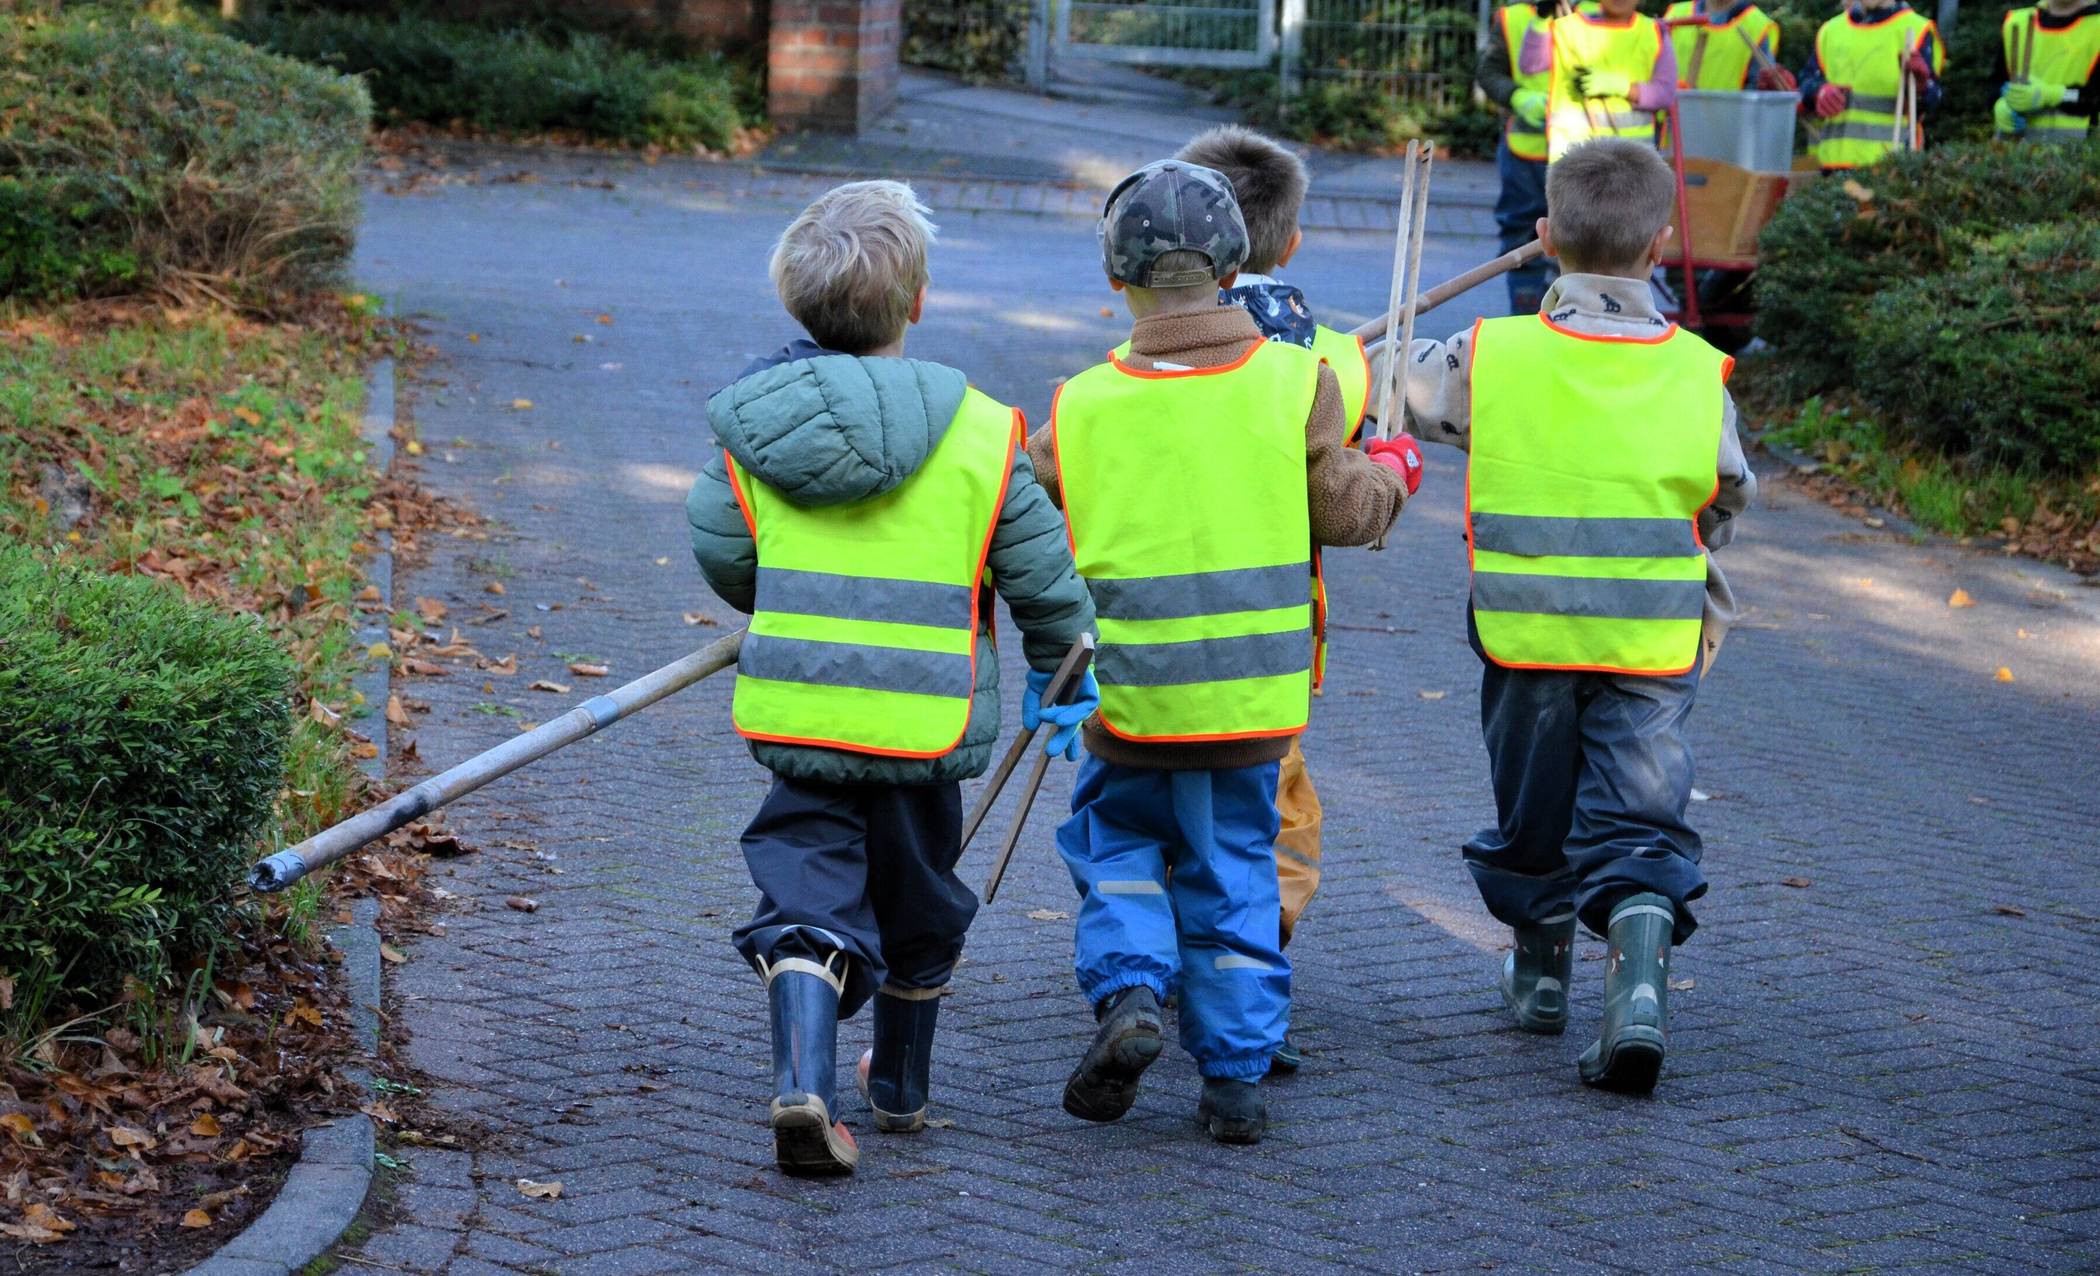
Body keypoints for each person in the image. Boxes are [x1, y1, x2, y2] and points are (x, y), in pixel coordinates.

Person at [687, 180, 1097, 1175]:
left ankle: (806, 1082)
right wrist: (1061, 670)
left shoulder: (757, 428)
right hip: (925, 727)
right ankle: (901, 1087)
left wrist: (794, 597)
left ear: (798, 302)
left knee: (803, 890)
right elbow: (1042, 577)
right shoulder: (982, 432)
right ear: (917, 302)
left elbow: (725, 553)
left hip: (803, 711)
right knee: (919, 899)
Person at [1024, 160, 1412, 1143]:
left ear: (1118, 280)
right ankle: (1235, 1076)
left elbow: (1022, 517)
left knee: (1116, 850)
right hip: (1251, 709)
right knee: (1237, 866)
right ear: (1238, 267)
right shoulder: (1299, 380)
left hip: (1128, 705)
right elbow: (1348, 507)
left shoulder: (1080, 404)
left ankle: (1132, 993)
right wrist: (1394, 469)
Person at [1393, 139, 1756, 1093]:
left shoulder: (1493, 354)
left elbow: (1390, 385)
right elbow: (1728, 491)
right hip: (1651, 637)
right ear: (1662, 241)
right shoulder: (1698, 370)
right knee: (1642, 818)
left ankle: (1542, 975)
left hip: (1528, 636)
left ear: (1545, 236)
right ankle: (1636, 994)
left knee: (1534, 807)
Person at [1167, 125, 1427, 1076]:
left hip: (1141, 644)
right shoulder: (1335, 365)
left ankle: (1156, 957)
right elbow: (1342, 491)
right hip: (1268, 651)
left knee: (1153, 801)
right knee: (1276, 821)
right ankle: (1238, 979)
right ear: (1292, 244)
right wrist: (1394, 472)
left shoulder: (1137, 350)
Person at [1520, 0, 1680, 162]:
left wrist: (1622, 87)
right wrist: (1540, 20)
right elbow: (1530, 65)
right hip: (1573, 160)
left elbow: (1665, 94)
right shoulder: (1566, 28)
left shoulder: (1654, 32)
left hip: (1631, 163)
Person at [1797, 0, 1944, 170]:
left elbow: (1932, 99)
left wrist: (1922, 87)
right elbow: (1806, 84)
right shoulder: (1831, 31)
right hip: (1833, 167)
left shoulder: (1917, 29)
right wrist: (1818, 91)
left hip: (1892, 167)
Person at [1479, 1, 1559, 313]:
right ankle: (1526, 317)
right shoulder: (1513, 18)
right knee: (1524, 237)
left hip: (1586, 149)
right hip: (1528, 151)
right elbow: (1489, 72)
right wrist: (1516, 96)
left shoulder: (1601, 13)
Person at [1994, 0, 2100, 143]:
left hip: (2078, 156)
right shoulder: (2016, 21)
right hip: (2013, 156)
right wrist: (2000, 104)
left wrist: (2055, 95)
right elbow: (1995, 84)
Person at [1664, 0, 1795, 91]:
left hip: (1727, 126)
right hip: (1672, 127)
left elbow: (1757, 94)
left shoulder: (1756, 26)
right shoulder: (1675, 14)